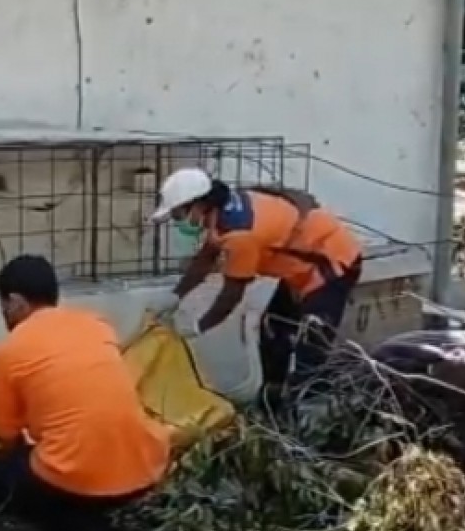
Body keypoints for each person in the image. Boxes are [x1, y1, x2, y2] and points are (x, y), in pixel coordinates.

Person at [0, 255, 171, 531]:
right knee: (61, 454)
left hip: (78, 479)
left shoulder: (3, 355)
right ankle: (95, 519)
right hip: (145, 469)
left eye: (3, 304)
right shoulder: (96, 325)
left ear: (16, 301)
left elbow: (6, 438)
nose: (3, 313)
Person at [152, 168, 363, 394]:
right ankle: (274, 399)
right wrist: (176, 295)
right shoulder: (223, 214)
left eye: (177, 215)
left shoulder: (241, 236)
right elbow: (206, 259)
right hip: (301, 268)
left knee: (312, 344)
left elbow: (231, 294)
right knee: (273, 329)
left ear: (198, 205)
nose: (177, 222)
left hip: (333, 262)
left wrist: (198, 327)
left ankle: (311, 409)